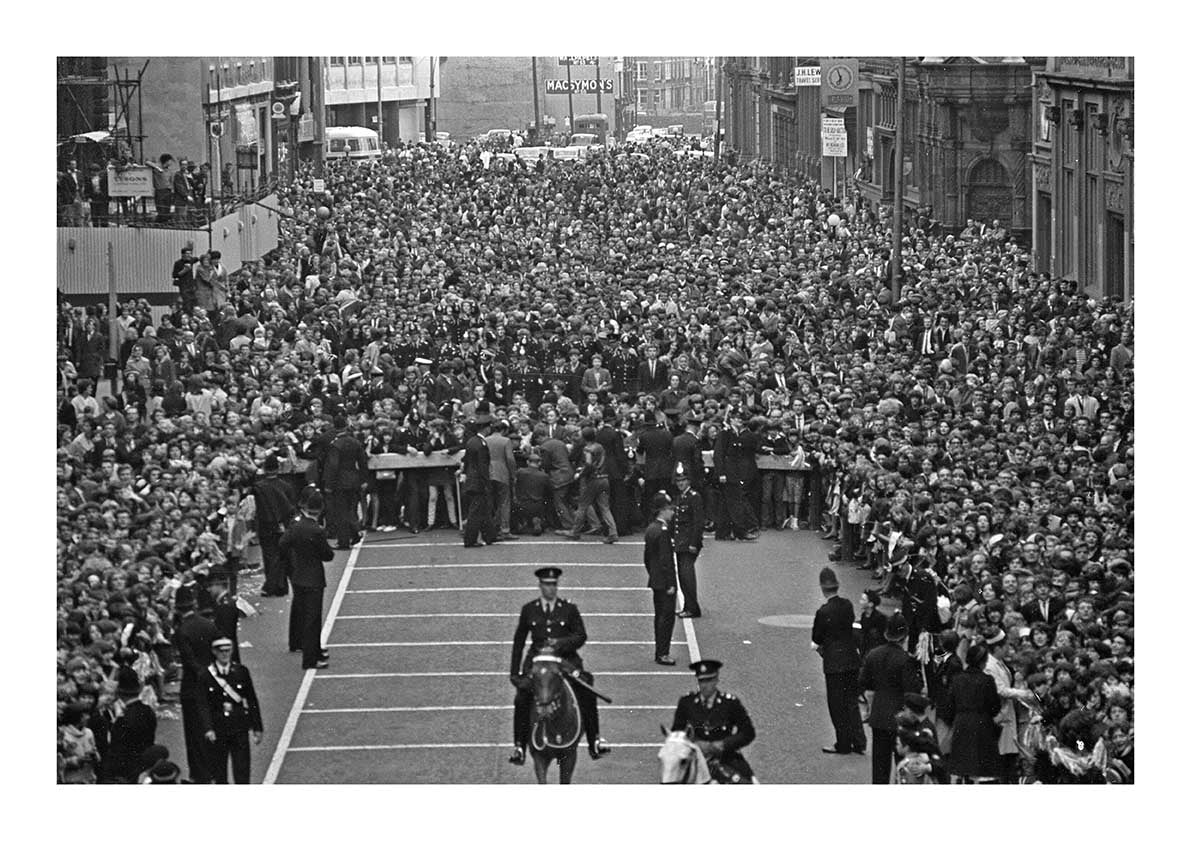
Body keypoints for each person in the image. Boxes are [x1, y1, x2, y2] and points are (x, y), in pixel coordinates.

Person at [508, 567, 609, 765]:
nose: (551, 589)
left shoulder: (568, 609)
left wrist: (561, 643)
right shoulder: (529, 610)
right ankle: (519, 746)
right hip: (538, 664)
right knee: (521, 699)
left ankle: (595, 740)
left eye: (554, 585)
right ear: (540, 586)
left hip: (565, 662)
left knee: (587, 691)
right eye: (547, 585)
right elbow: (519, 642)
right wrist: (515, 674)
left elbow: (581, 635)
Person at [671, 659, 756, 783]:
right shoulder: (687, 703)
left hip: (725, 759)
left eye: (709, 680)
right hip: (695, 759)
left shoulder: (730, 704)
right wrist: (695, 744)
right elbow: (677, 733)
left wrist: (723, 744)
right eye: (701, 681)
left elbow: (748, 733)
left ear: (716, 680)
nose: (705, 685)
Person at [812, 566, 866, 756]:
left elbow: (817, 638)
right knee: (851, 701)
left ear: (822, 588)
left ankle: (843, 743)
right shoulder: (847, 605)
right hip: (851, 658)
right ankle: (859, 741)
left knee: (837, 704)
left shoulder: (823, 612)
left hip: (834, 662)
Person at [197, 637, 263, 784]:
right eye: (221, 651)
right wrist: (208, 728)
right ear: (214, 652)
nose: (225, 654)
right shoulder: (206, 675)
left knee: (242, 770)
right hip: (218, 727)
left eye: (228, 651)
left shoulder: (241, 672)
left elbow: (251, 700)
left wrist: (257, 727)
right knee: (219, 772)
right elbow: (203, 704)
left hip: (239, 725)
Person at [281, 490, 335, 670]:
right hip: (313, 578)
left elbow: (283, 543)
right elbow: (328, 555)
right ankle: (311, 658)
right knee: (312, 619)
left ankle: (312, 649)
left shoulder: (296, 526)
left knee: (302, 613)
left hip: (298, 574)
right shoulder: (316, 530)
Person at [938, 641, 1002, 783]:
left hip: (961, 723)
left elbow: (949, 706)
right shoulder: (987, 680)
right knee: (981, 766)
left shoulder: (957, 680)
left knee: (963, 765)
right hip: (982, 725)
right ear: (983, 662)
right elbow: (995, 707)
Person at [173, 585, 217, 783]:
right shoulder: (208, 625)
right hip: (212, 682)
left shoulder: (181, 631)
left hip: (192, 687)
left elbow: (189, 661)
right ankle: (214, 769)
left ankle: (200, 774)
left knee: (194, 734)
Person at [101, 667, 158, 783]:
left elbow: (117, 751)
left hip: (128, 771)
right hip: (145, 765)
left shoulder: (122, 720)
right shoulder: (148, 711)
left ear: (119, 692)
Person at [322, 414, 369, 549]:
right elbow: (363, 462)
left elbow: (333, 466)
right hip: (354, 479)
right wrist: (364, 479)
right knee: (351, 509)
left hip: (340, 482)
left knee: (340, 512)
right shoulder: (355, 442)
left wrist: (329, 485)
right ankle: (354, 532)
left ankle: (345, 540)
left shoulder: (335, 445)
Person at [254, 453, 298, 596]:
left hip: (265, 526)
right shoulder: (286, 486)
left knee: (269, 556)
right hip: (284, 525)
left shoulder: (258, 487)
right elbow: (292, 506)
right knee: (283, 555)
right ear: (278, 469)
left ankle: (272, 586)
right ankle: (281, 586)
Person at [644, 491, 678, 666]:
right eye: (670, 509)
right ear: (663, 510)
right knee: (666, 618)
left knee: (659, 617)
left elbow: (647, 559)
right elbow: (666, 561)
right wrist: (671, 583)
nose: (672, 512)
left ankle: (660, 651)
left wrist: (653, 575)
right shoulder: (663, 531)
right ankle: (663, 653)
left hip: (656, 580)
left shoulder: (651, 529)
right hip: (665, 582)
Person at [461, 404, 500, 547]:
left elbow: (466, 461)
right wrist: (487, 483)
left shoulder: (472, 441)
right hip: (478, 482)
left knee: (482, 510)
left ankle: (489, 535)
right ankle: (470, 539)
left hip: (472, 480)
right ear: (487, 428)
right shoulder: (481, 444)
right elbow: (482, 466)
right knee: (477, 512)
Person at [672, 461, 705, 618]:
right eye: (678, 481)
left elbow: (698, 522)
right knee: (683, 577)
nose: (680, 483)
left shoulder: (694, 497)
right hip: (681, 542)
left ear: (689, 481)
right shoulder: (681, 497)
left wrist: (693, 543)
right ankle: (689, 606)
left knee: (687, 576)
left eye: (683, 480)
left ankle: (692, 607)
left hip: (689, 543)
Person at [172, 247, 198, 314]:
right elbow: (174, 275)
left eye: (190, 253)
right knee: (186, 303)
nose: (189, 255)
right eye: (187, 253)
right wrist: (184, 270)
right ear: (183, 254)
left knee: (194, 302)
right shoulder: (178, 263)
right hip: (183, 286)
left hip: (192, 286)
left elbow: (197, 259)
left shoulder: (191, 260)